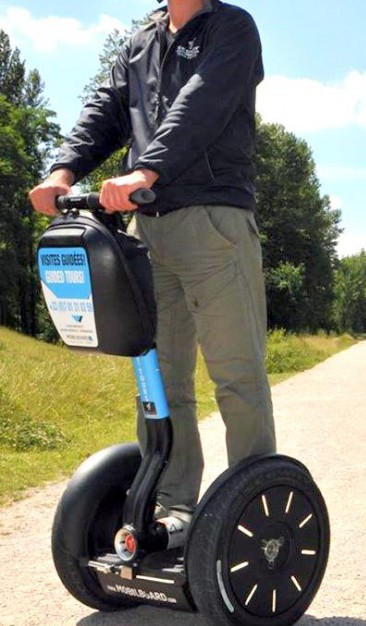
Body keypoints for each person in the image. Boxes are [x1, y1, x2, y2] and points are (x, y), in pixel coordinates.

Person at [29, 0, 274, 519]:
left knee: (236, 375)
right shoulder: (141, 40)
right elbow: (107, 108)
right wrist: (64, 170)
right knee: (160, 379)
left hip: (213, 222)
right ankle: (173, 508)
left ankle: (257, 510)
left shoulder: (232, 28)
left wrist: (146, 171)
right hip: (147, 231)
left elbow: (201, 104)